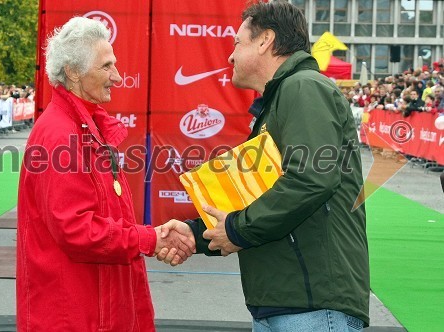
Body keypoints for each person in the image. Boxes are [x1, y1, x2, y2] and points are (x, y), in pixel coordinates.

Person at [158, 2, 369, 331]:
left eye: (237, 44)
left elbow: (311, 179)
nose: (230, 56)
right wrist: (198, 234)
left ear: (265, 40)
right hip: (285, 300)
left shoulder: (304, 88)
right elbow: (256, 199)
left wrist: (235, 230)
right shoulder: (283, 99)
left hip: (310, 304)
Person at [16, 17, 195, 332]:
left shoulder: (84, 128)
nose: (116, 76)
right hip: (74, 314)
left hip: (92, 306)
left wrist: (147, 237)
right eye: (106, 66)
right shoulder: (61, 134)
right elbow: (77, 230)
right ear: (73, 72)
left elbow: (103, 219)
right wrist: (149, 238)